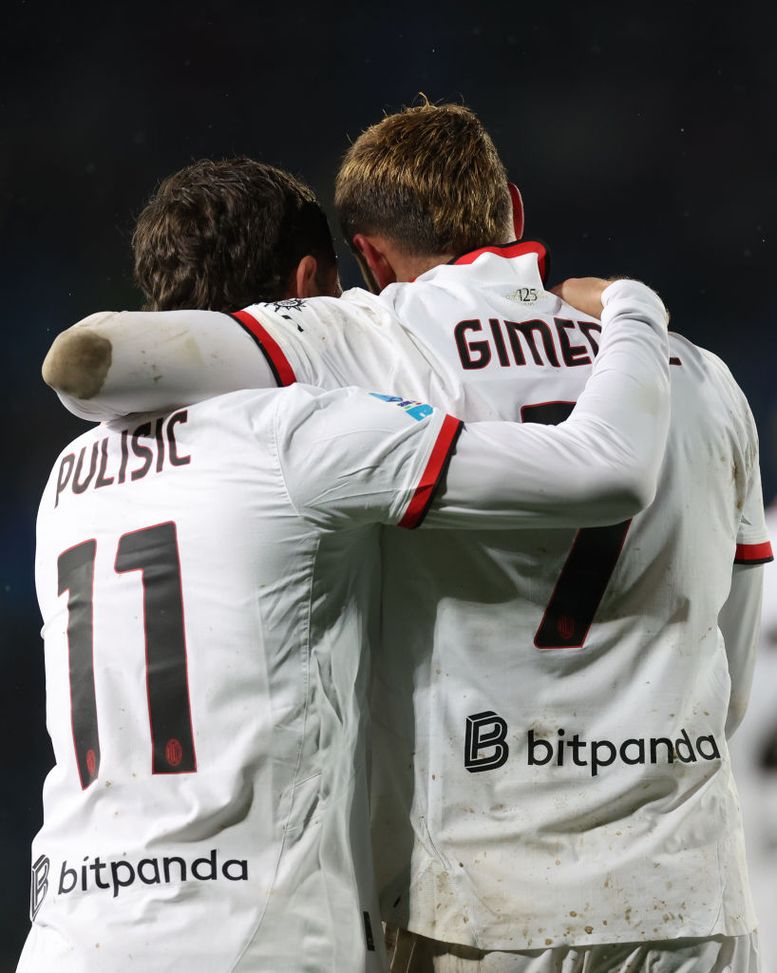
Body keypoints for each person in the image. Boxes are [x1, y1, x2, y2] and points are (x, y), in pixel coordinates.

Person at [43, 104, 771, 972]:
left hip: (479, 899)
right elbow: (731, 661)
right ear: (513, 207)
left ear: (368, 257)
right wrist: (629, 308)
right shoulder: (699, 373)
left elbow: (97, 356)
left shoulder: (364, 342)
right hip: (684, 888)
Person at [24, 273, 669, 973]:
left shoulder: (64, 479)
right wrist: (634, 308)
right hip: (253, 934)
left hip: (69, 930)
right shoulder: (299, 434)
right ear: (309, 286)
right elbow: (605, 466)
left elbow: (82, 361)